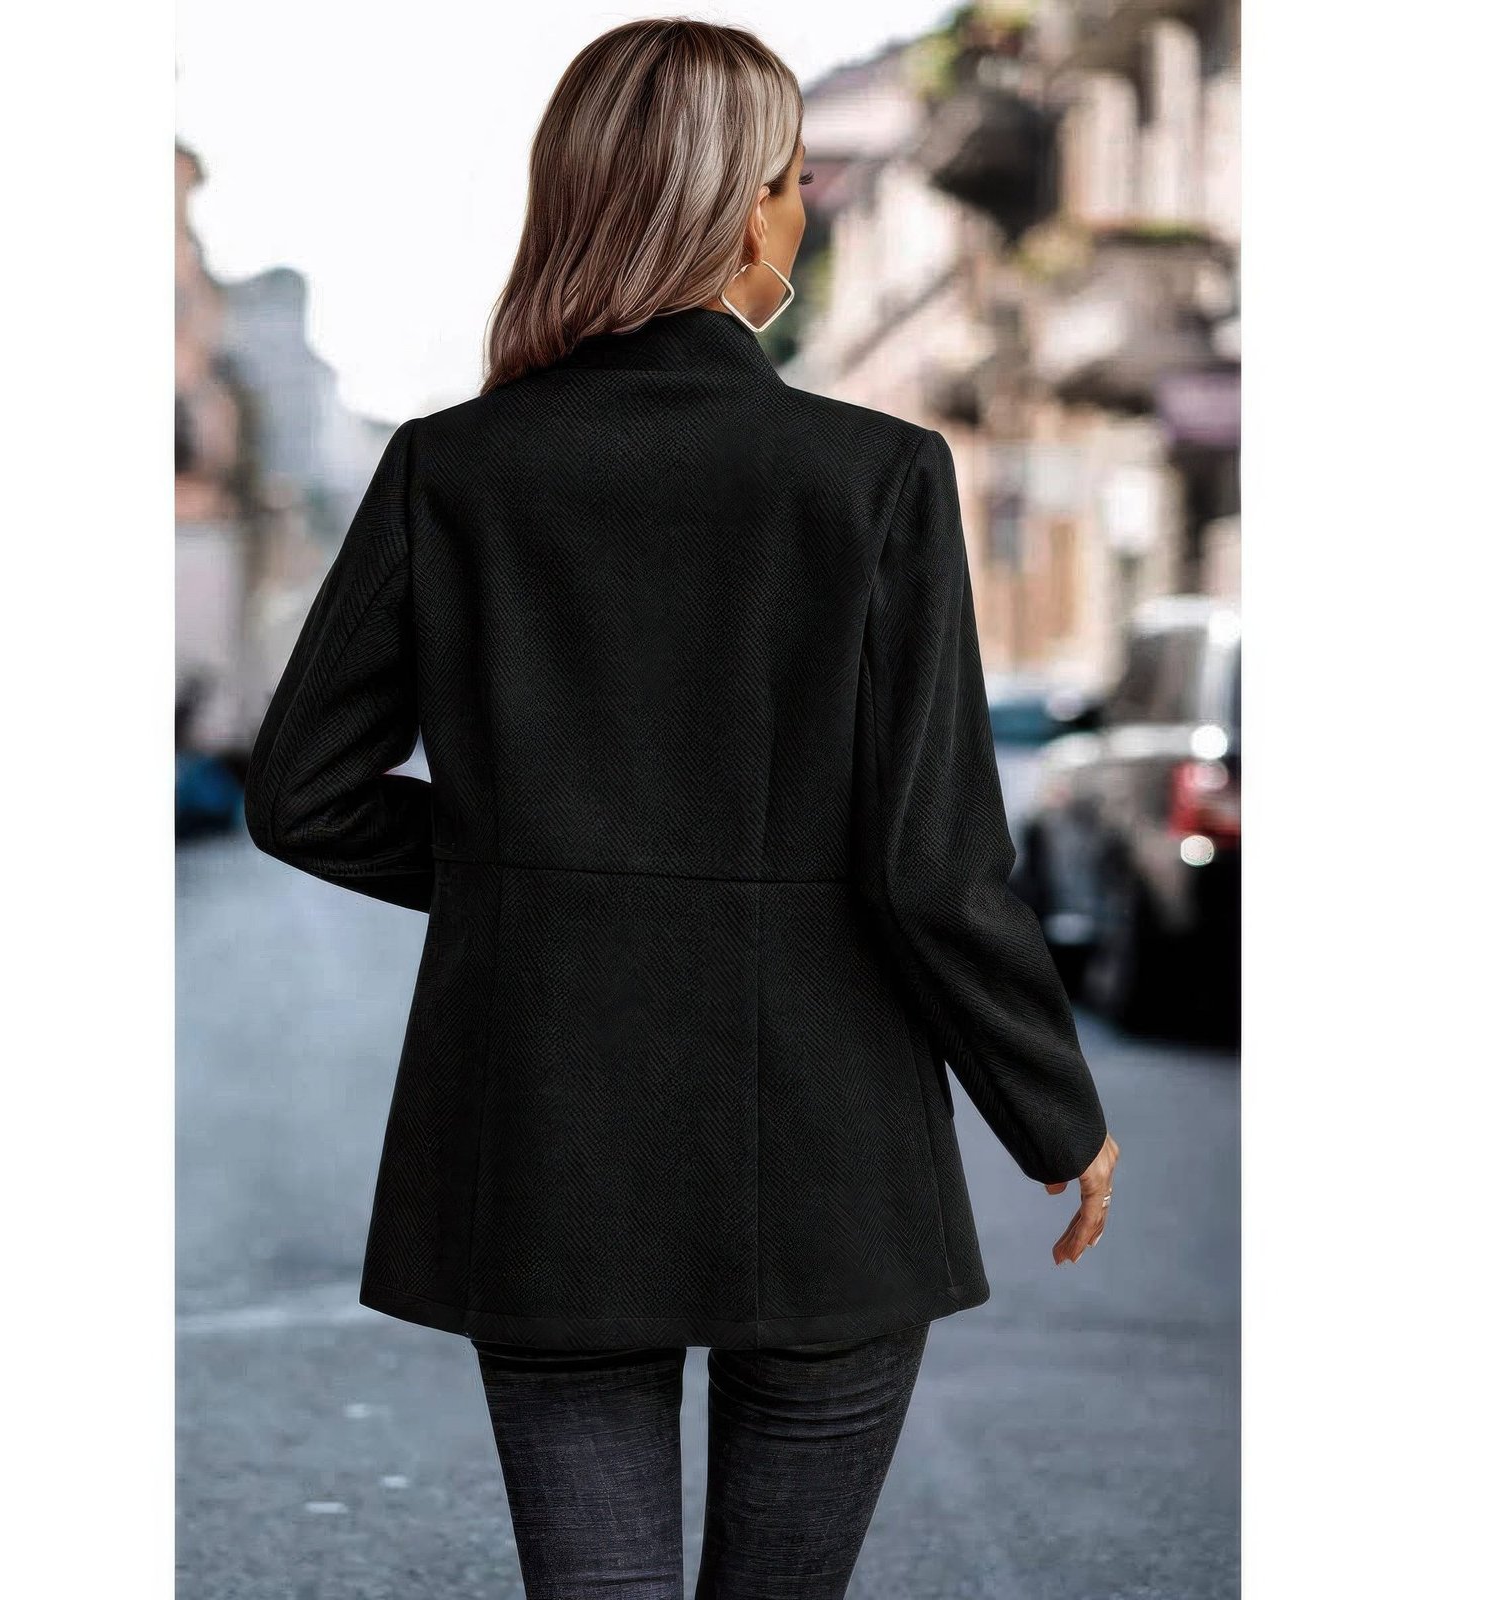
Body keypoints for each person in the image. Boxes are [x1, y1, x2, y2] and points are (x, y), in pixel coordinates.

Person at [243, 17, 1119, 1598]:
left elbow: (302, 793)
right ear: (742, 212)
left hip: (548, 1136)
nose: (804, 210)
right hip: (830, 1147)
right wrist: (1051, 1108)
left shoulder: (453, 471)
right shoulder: (875, 477)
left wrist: (530, 875)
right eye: (793, 180)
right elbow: (932, 863)